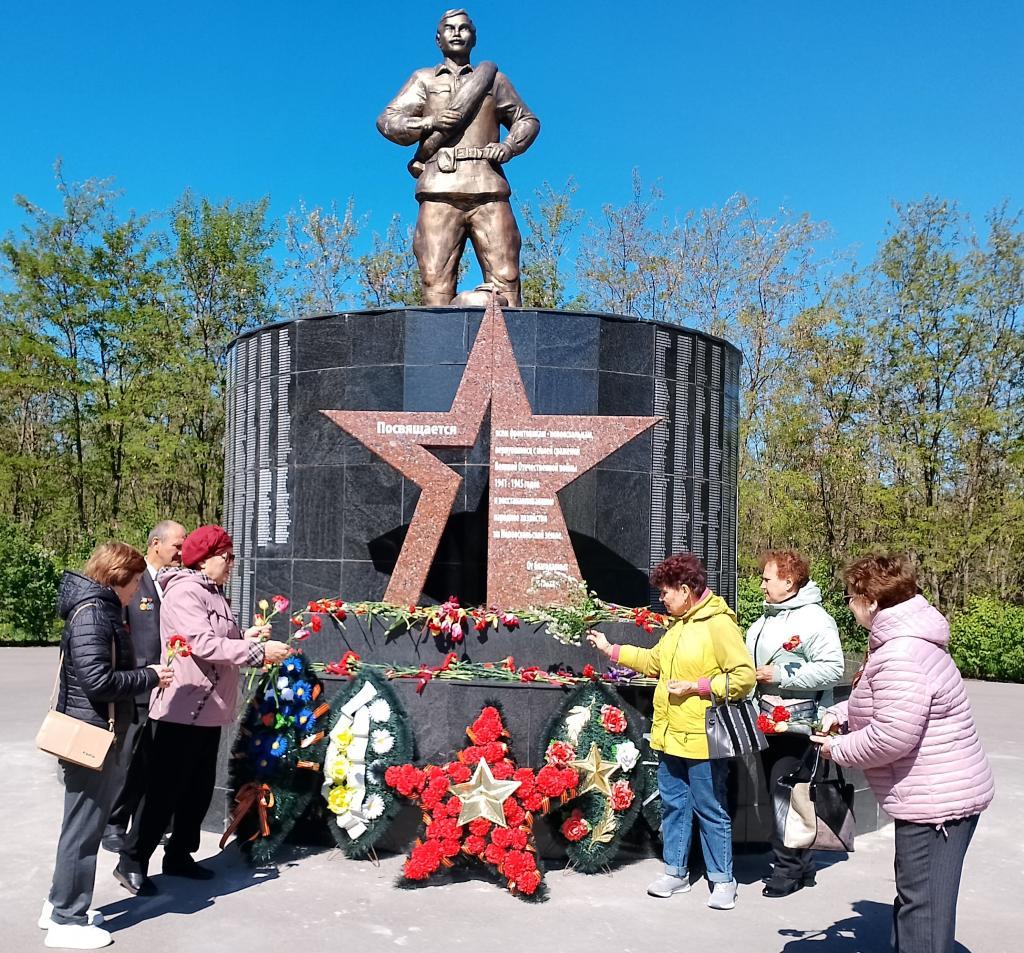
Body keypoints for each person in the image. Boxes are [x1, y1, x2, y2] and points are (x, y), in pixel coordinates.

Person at [816, 554, 994, 953]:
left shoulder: (900, 653)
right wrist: (839, 713)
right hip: (934, 796)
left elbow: (894, 734)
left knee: (923, 914)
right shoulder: (901, 642)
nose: (848, 604)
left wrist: (838, 749)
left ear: (872, 601)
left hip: (936, 805)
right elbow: (889, 705)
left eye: (850, 596)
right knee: (918, 901)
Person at [115, 525, 292, 895]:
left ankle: (179, 855)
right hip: (181, 708)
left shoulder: (213, 592)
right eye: (226, 557)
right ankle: (132, 859)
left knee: (196, 791)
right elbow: (201, 644)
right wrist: (257, 654)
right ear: (205, 559)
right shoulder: (184, 592)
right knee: (163, 792)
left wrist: (245, 638)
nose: (231, 564)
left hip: (208, 709)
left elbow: (220, 641)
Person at [587, 553, 755, 910]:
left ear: (684, 589)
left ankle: (723, 879)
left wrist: (697, 687)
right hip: (669, 735)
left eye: (665, 593)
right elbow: (654, 662)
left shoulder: (719, 624)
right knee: (674, 805)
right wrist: (610, 649)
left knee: (711, 808)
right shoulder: (677, 626)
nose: (661, 599)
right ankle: (676, 872)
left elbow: (744, 677)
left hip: (704, 737)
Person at [42, 544, 173, 950]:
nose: (137, 591)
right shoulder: (95, 613)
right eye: (134, 582)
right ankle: (67, 918)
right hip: (92, 736)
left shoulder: (96, 609)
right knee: (83, 830)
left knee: (80, 827)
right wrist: (148, 676)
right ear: (117, 577)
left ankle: (59, 904)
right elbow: (98, 681)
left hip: (92, 733)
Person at [376, 8, 540, 305]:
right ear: (438, 39)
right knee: (434, 280)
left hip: (488, 189)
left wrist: (510, 146)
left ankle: (508, 350)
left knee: (506, 278)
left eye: (464, 28)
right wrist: (429, 123)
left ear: (473, 37)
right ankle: (435, 351)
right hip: (439, 189)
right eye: (449, 28)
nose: (456, 33)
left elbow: (526, 120)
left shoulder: (492, 80)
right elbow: (388, 121)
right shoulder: (424, 79)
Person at [745, 549, 844, 897]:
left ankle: (787, 870)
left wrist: (780, 675)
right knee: (787, 794)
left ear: (788, 582)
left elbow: (834, 668)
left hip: (798, 726)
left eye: (767, 578)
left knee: (787, 796)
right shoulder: (768, 619)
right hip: (769, 721)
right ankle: (802, 865)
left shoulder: (815, 620)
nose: (761, 585)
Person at [102, 520, 187, 853]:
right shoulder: (134, 582)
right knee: (128, 761)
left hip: (169, 688)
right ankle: (113, 823)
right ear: (155, 544)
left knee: (154, 762)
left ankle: (149, 822)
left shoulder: (176, 583)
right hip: (139, 686)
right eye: (176, 546)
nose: (181, 553)